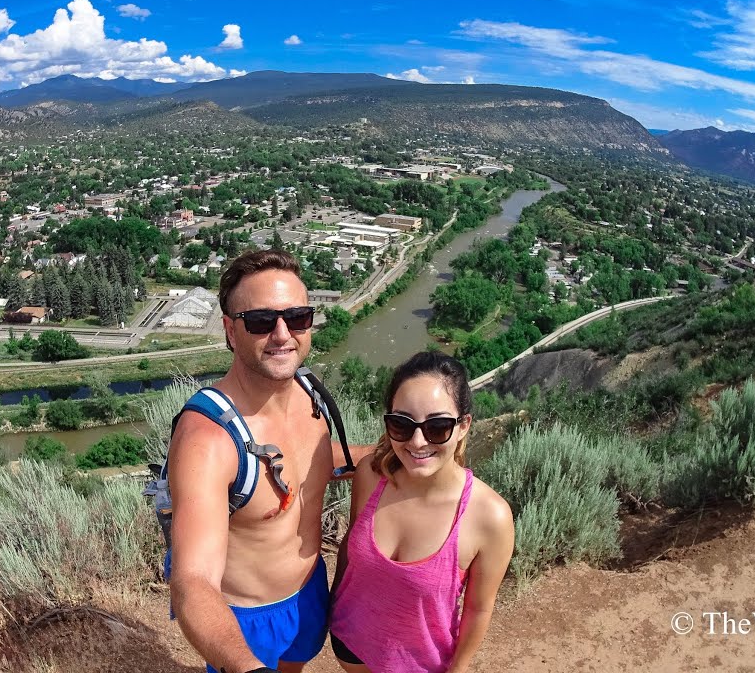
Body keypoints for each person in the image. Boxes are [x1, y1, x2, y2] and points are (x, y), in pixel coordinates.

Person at [165, 249, 372, 673]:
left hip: (308, 590)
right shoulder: (208, 440)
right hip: (245, 619)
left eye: (297, 317)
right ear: (229, 330)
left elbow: (304, 468)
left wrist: (391, 453)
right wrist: (246, 666)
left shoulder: (307, 392)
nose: (282, 335)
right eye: (261, 321)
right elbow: (193, 581)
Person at [329, 351, 515, 672]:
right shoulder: (371, 476)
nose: (417, 442)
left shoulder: (489, 517)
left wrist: (457, 669)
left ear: (463, 426)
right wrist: (332, 608)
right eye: (401, 424)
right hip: (350, 644)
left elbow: (479, 610)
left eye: (437, 426)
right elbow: (349, 550)